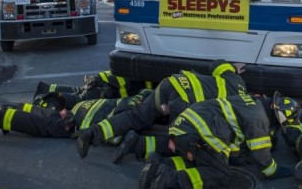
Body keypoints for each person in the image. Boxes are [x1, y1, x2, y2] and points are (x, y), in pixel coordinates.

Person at [142, 90, 301, 189]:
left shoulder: (253, 101)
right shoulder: (259, 120)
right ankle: (170, 180)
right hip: (198, 133)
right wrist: (279, 170)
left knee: (205, 161)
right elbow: (264, 162)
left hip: (182, 128)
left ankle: (158, 167)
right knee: (221, 174)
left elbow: (235, 134)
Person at [75, 60, 247, 161]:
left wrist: (233, 67)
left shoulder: (237, 82)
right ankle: (145, 153)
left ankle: (90, 133)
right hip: (183, 102)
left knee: (137, 116)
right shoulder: (234, 114)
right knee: (184, 142)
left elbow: (218, 65)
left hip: (173, 83)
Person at [0, 89, 153, 143]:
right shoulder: (142, 115)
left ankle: (9, 109)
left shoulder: (148, 94)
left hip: (86, 107)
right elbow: (118, 125)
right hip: (85, 120)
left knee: (47, 115)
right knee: (45, 126)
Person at [33, 70, 145, 109]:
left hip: (101, 80)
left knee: (78, 90)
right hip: (105, 88)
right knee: (78, 100)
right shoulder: (148, 85)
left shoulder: (144, 70)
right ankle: (43, 99)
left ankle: (45, 89)